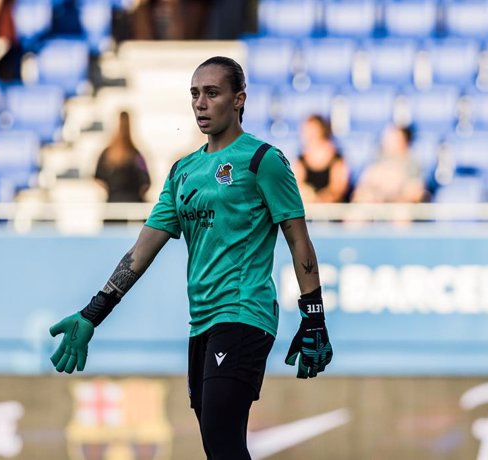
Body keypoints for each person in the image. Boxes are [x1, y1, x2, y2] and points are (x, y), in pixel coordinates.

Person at [49, 56, 333, 460]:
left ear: (239, 100)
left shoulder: (262, 161)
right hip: (201, 322)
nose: (200, 103)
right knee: (220, 447)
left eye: (212, 93)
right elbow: (141, 252)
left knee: (220, 437)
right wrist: (92, 313)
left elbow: (298, 241)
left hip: (244, 314)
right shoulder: (183, 171)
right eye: (195, 94)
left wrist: (314, 317)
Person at [351, 124, 425, 204]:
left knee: (401, 213)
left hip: (399, 205)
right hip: (375, 203)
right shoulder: (375, 159)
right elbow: (360, 191)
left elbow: (415, 194)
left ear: (404, 141)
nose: (387, 141)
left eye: (393, 138)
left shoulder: (412, 163)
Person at [94, 111, 151, 203]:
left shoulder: (135, 155)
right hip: (122, 205)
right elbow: (146, 183)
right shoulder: (136, 155)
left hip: (117, 204)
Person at [292, 114, 350, 203]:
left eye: (311, 130)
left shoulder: (337, 158)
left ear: (322, 131)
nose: (307, 134)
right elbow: (296, 187)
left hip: (332, 210)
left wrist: (318, 199)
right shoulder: (301, 160)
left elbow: (337, 190)